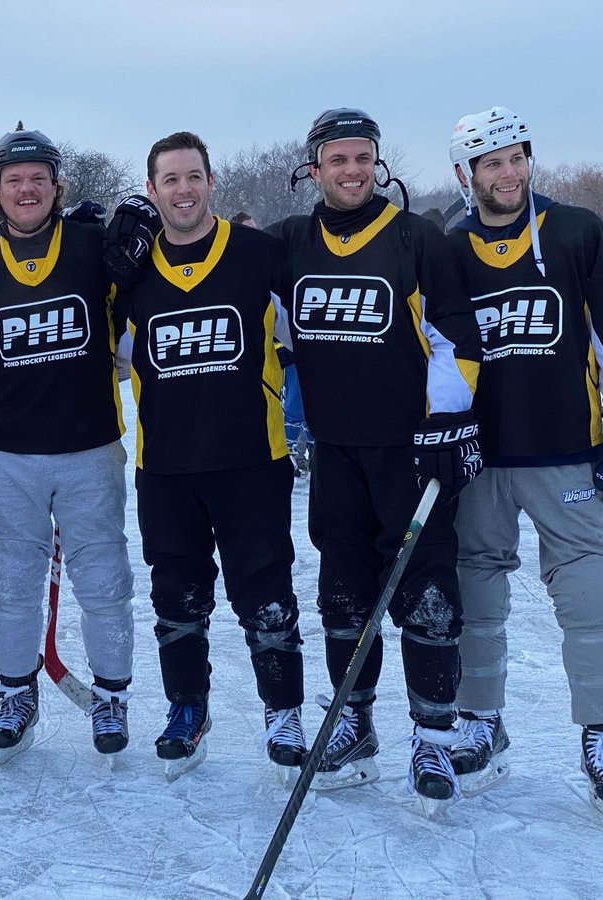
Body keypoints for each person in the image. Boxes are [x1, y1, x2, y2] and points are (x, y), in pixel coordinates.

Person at [268, 108, 482, 804]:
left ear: (378, 162)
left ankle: (433, 736)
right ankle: (354, 721)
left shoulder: (419, 239)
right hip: (335, 449)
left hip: (409, 453)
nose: (352, 170)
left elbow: (459, 339)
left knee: (425, 594)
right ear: (315, 169)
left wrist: (447, 421)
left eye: (363, 157)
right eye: (338, 160)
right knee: (343, 592)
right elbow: (215, 268)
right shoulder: (290, 243)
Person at [110, 132, 305, 781]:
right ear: (152, 190)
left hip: (251, 459)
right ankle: (186, 708)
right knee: (177, 598)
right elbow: (98, 357)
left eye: (193, 177)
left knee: (266, 594)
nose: (183, 190)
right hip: (166, 467)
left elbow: (318, 331)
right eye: (170, 180)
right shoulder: (134, 272)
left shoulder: (258, 254)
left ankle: (283, 712)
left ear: (211, 181)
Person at [0, 123, 134, 762]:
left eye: (38, 178)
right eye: (13, 180)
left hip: (91, 449)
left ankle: (111, 696)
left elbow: (138, 339)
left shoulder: (93, 248)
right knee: (11, 580)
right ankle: (16, 692)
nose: (26, 189)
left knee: (104, 577)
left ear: (57, 186)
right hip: (9, 454)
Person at [444, 106, 603, 808]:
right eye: (492, 163)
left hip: (565, 449)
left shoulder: (574, 230)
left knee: (588, 597)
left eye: (516, 158)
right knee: (477, 590)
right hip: (483, 454)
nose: (508, 174)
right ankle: (482, 718)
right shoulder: (449, 246)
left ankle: (599, 729)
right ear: (466, 174)